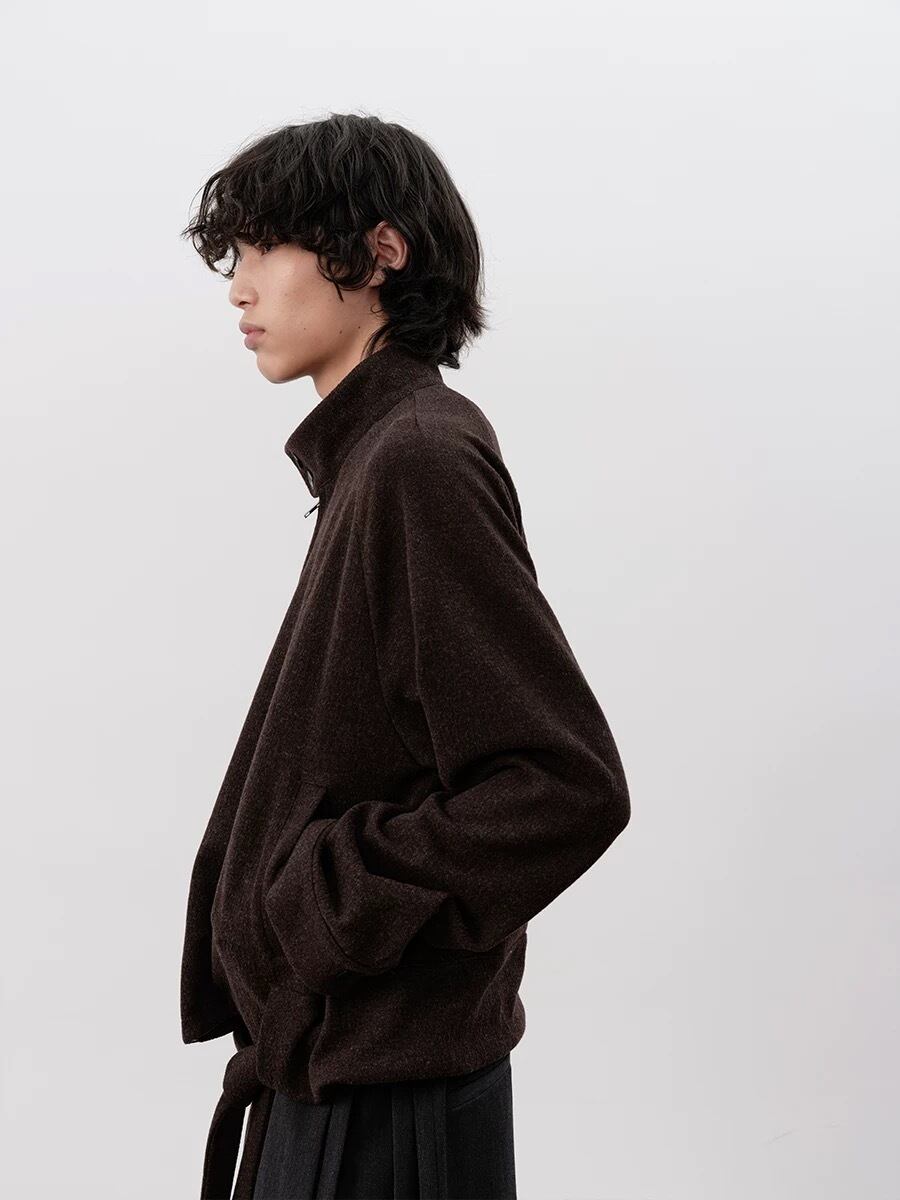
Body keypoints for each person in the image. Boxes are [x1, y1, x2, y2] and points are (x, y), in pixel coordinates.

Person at [179, 111, 631, 1200]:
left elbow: (561, 785)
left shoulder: (418, 459)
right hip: (348, 1079)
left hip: (384, 1112)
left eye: (268, 247)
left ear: (380, 251)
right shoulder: (376, 459)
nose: (240, 288)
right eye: (233, 256)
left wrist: (321, 900)